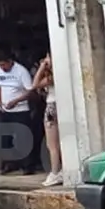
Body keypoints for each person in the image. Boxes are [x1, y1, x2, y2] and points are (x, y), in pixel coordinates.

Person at [0, 50, 37, 175]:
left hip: (20, 109)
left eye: (4, 65)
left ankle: (28, 165)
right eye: (0, 65)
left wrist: (16, 101)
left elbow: (30, 91)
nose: (2, 68)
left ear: (10, 61)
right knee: (4, 138)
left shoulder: (21, 71)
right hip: (4, 109)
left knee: (23, 137)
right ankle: (9, 163)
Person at [33, 53, 63, 186]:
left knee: (52, 144)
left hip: (52, 107)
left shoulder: (52, 76)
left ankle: (55, 172)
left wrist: (41, 67)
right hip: (59, 106)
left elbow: (35, 84)